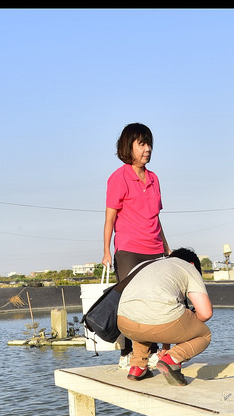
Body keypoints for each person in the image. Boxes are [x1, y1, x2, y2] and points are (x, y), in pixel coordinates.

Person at [103, 123, 171, 359]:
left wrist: (166, 246)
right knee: (130, 302)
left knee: (154, 302)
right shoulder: (118, 178)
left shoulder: (154, 178)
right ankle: (127, 353)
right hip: (129, 250)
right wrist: (106, 252)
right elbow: (110, 219)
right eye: (141, 144)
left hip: (155, 250)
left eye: (149, 144)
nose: (148, 149)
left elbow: (156, 218)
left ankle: (150, 352)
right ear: (128, 146)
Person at [116, 248, 212, 386]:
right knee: (204, 335)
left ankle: (138, 366)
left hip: (125, 323)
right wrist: (193, 318)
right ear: (192, 264)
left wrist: (166, 346)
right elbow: (206, 313)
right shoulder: (188, 267)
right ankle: (172, 359)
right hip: (160, 321)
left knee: (144, 321)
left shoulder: (146, 265)